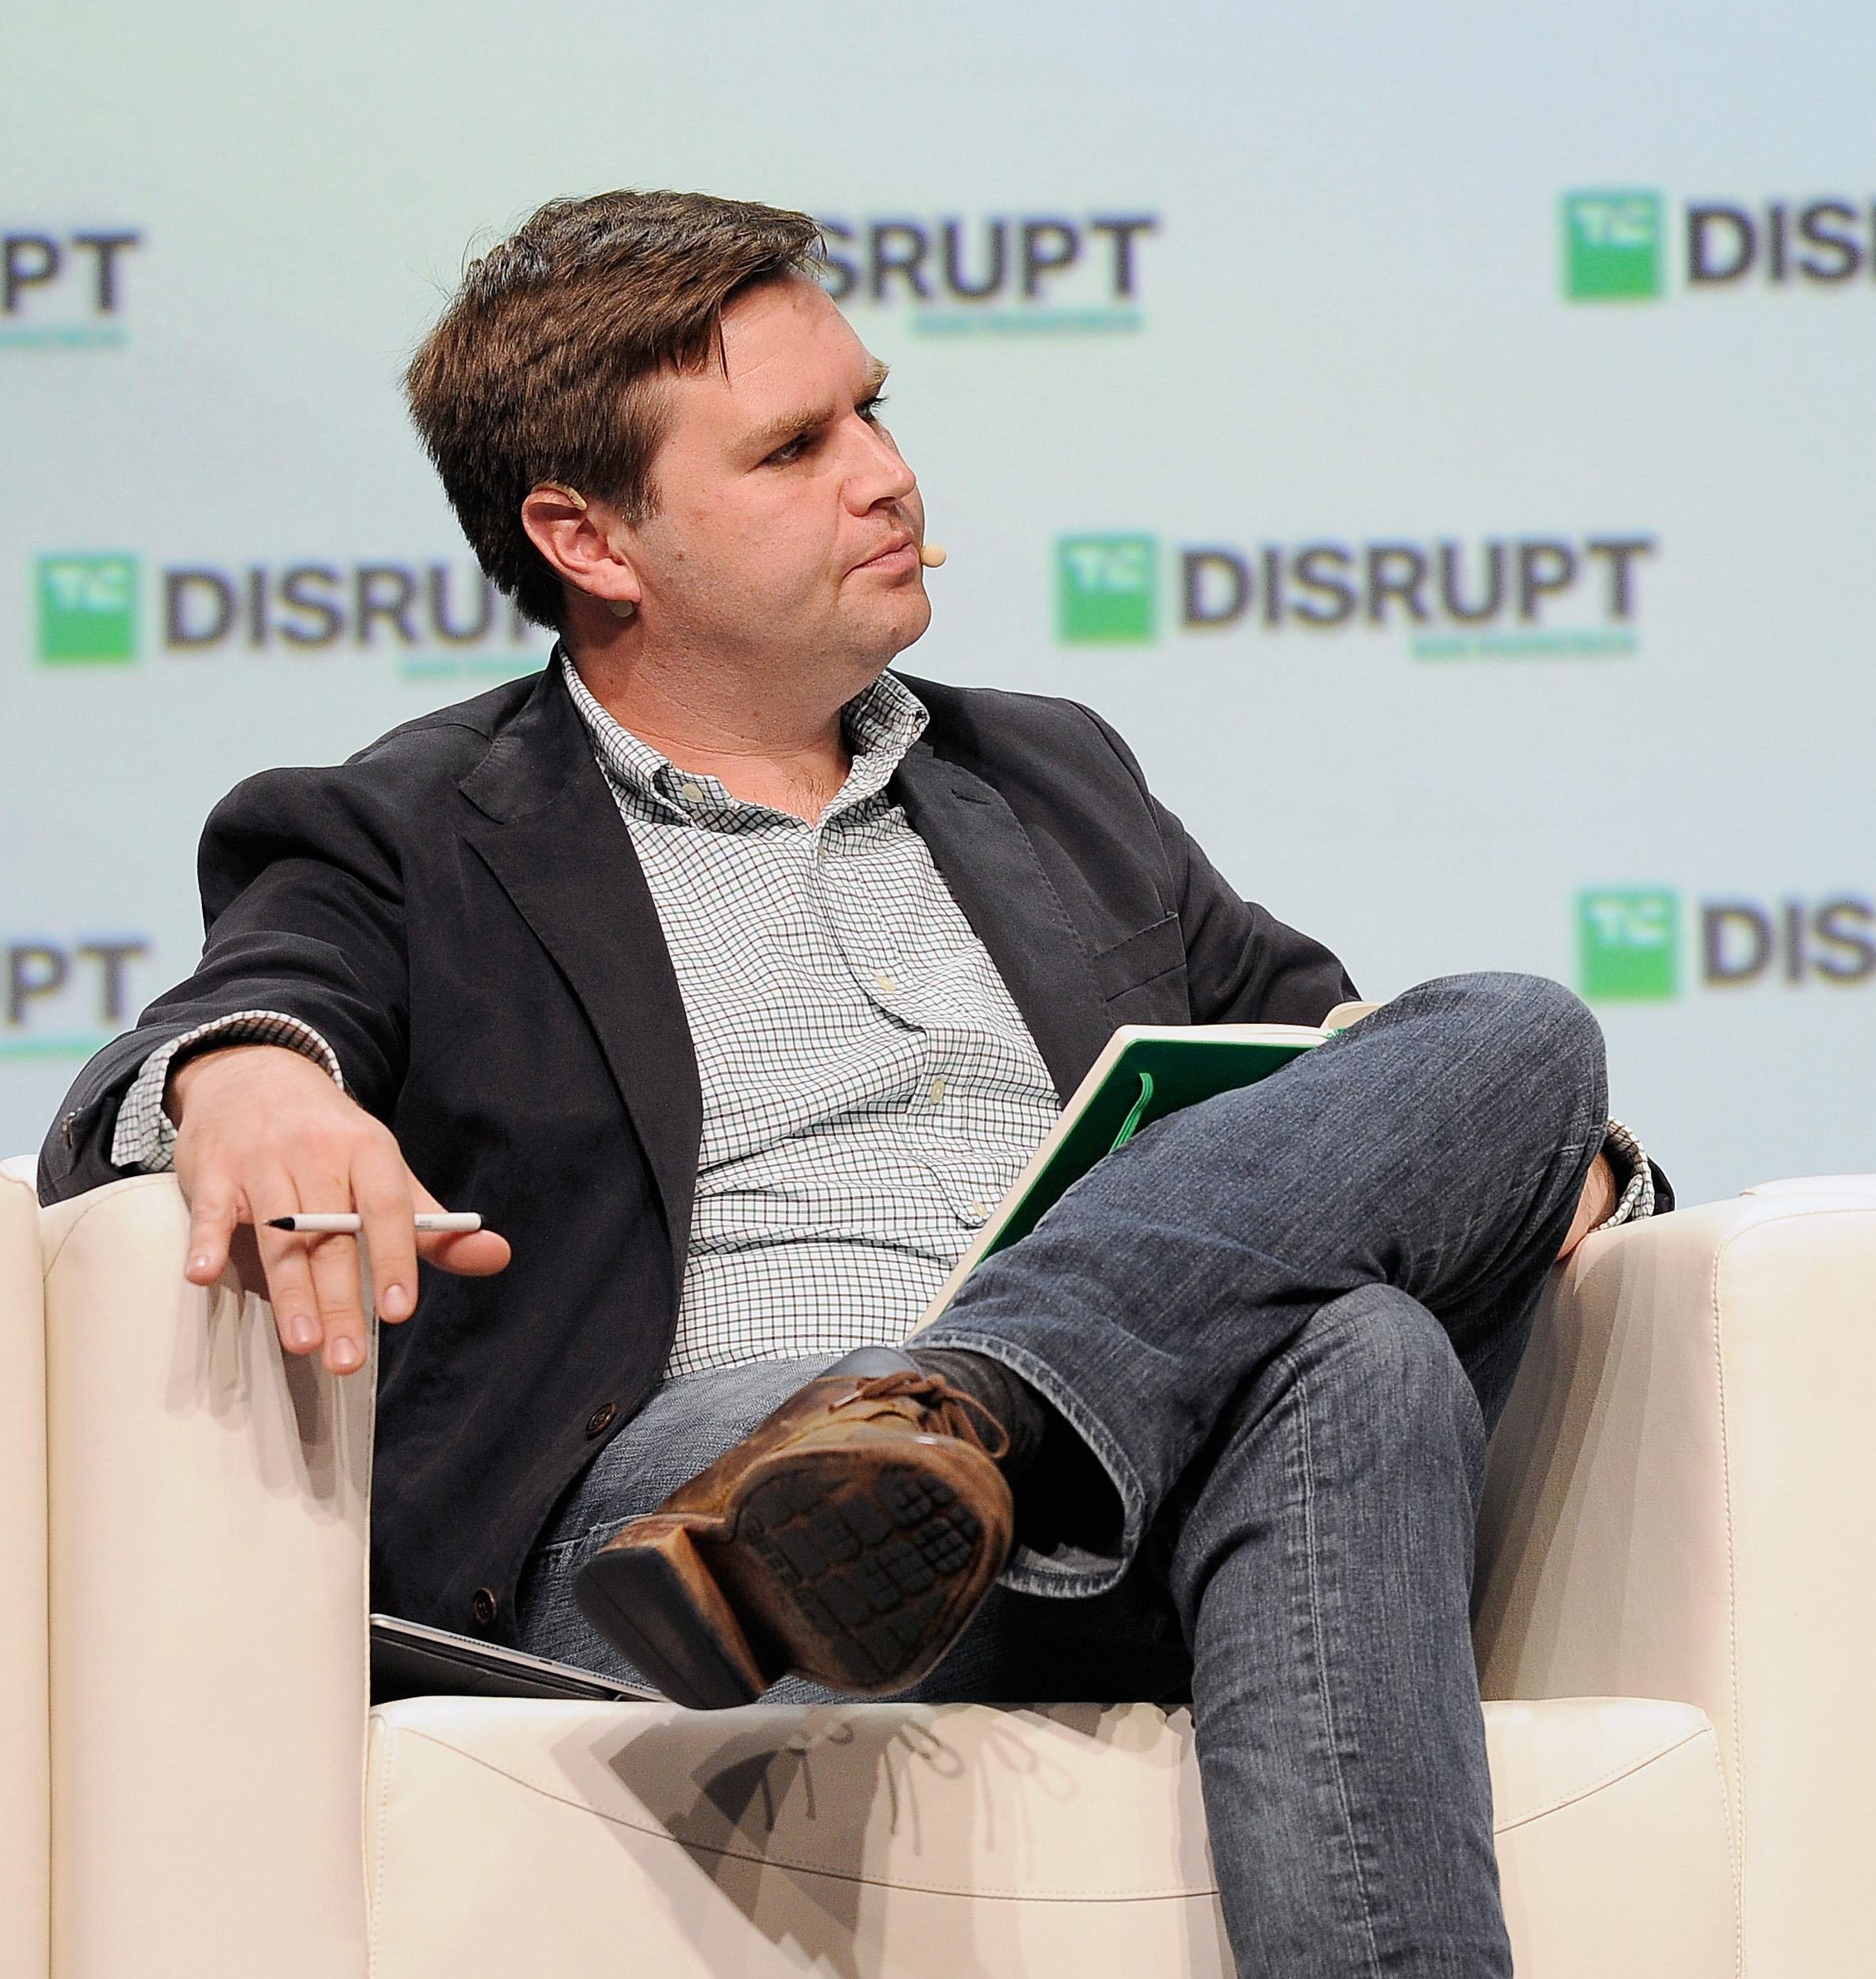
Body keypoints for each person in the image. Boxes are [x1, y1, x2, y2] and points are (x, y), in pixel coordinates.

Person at [36, 190, 1665, 1979]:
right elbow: (188, 1046)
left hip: (1104, 1492)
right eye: (795, 446)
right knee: (1357, 1351)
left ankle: (962, 1407)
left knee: (1514, 1036)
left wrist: (1554, 1167)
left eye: (874, 411)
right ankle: (893, 1448)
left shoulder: (1049, 777)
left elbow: (1330, 1056)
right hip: (695, 1513)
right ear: (590, 537)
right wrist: (247, 1074)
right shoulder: (406, 826)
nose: (883, 474)